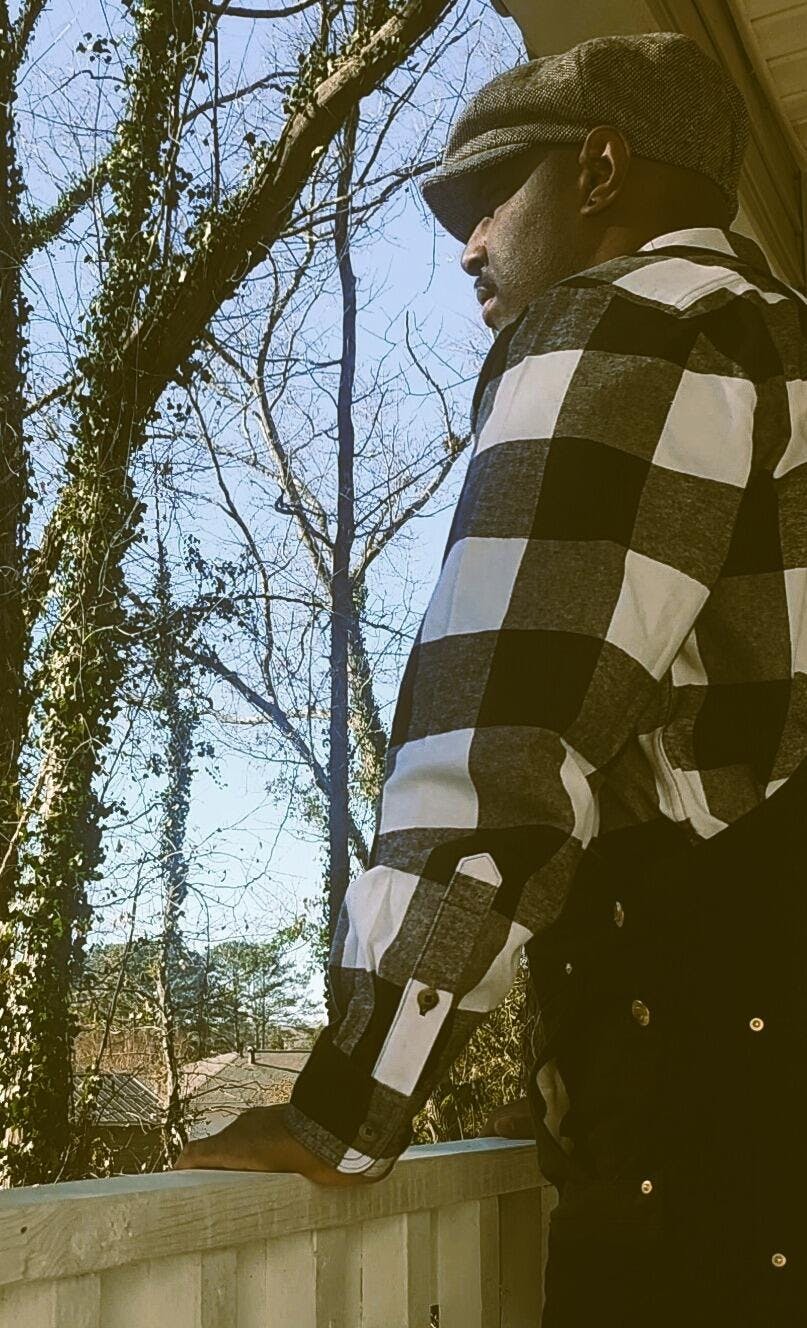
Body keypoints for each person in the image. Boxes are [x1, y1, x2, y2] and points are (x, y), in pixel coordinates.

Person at [177, 31, 807, 1324]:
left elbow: (501, 744)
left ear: (602, 170)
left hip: (719, 1148)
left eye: (486, 199)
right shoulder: (782, 339)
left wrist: (350, 1101)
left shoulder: (630, 323)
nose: (467, 247)